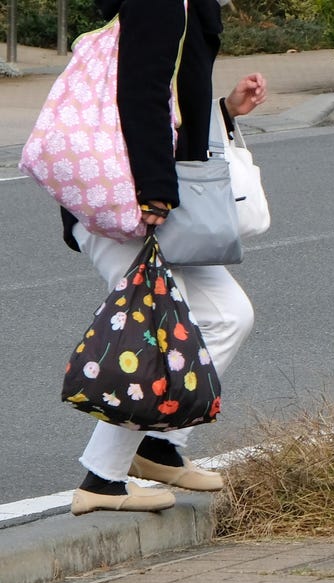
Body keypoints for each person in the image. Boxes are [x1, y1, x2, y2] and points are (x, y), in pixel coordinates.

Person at [66, 0, 267, 515]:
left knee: (229, 315)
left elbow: (171, 96)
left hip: (150, 197)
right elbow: (140, 96)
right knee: (153, 332)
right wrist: (155, 191)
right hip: (128, 202)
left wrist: (222, 109)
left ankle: (156, 445)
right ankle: (103, 479)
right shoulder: (161, 1)